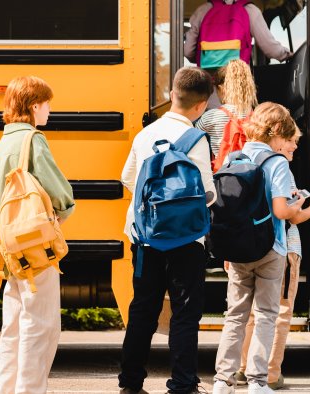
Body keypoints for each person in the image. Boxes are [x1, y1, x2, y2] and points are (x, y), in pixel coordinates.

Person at [119, 67, 216, 394]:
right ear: (201, 105)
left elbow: (127, 179)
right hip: (187, 242)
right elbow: (207, 192)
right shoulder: (196, 139)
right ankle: (182, 384)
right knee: (185, 314)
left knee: (142, 310)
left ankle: (130, 384)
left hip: (145, 238)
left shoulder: (144, 135)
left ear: (173, 95)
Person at [0, 76, 75, 394]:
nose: (50, 110)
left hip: (9, 253)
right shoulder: (32, 141)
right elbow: (60, 193)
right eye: (47, 103)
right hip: (36, 250)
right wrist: (62, 214)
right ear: (34, 105)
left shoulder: (0, 146)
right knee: (41, 328)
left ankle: (8, 389)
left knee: (13, 328)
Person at [212, 102, 305, 394]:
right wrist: (300, 205)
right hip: (270, 249)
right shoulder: (277, 163)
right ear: (277, 134)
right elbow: (280, 211)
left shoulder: (234, 157)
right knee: (266, 314)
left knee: (235, 316)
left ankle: (222, 380)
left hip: (237, 249)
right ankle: (256, 382)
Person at [234, 125, 310, 390]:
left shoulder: (243, 161)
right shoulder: (280, 168)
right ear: (275, 138)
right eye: (290, 141)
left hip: (247, 246)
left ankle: (243, 369)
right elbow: (290, 215)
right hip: (281, 247)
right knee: (279, 312)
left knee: (249, 313)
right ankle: (270, 373)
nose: (295, 147)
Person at [184, 0, 292, 65]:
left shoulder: (202, 11)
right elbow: (271, 50)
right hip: (238, 85)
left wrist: (205, 58)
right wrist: (288, 55)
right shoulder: (250, 10)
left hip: (208, 85)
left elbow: (188, 51)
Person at [195, 59, 257, 160]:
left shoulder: (211, 117)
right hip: (252, 172)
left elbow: (193, 140)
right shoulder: (259, 117)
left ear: (221, 89)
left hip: (222, 173)